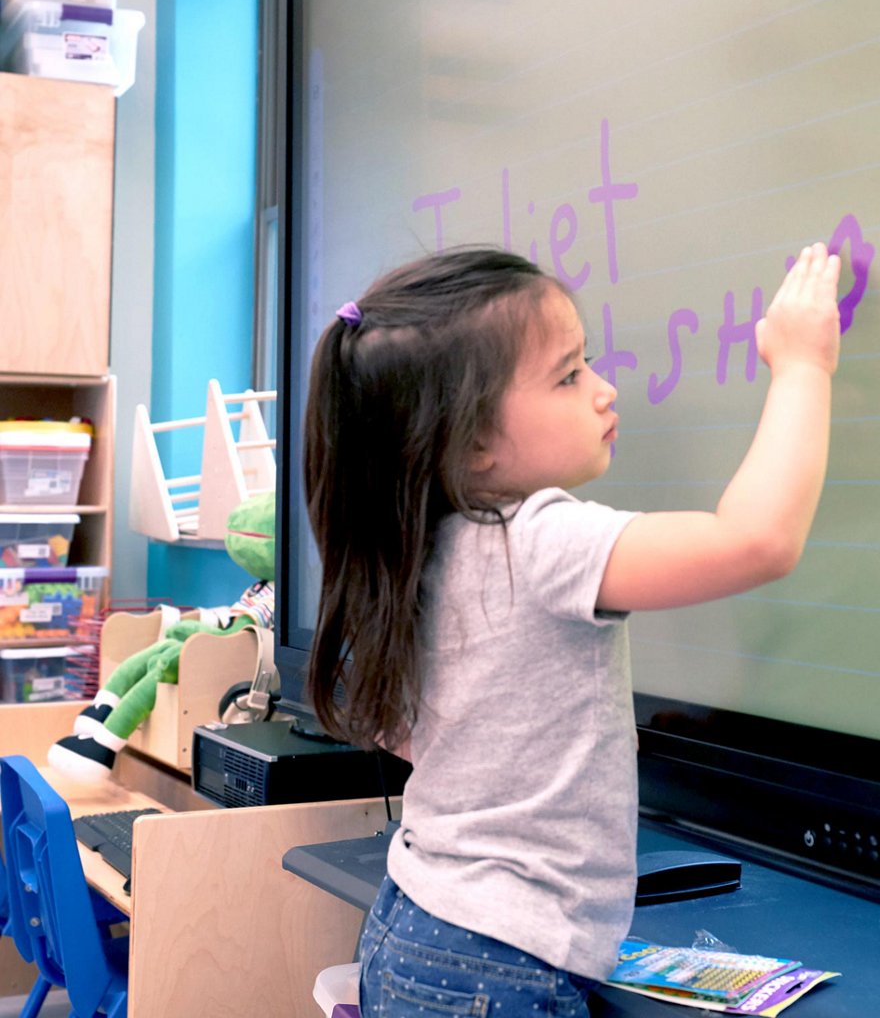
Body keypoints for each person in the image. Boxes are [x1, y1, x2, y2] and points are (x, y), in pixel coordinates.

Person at [303, 242, 841, 1018]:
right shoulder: (539, 538)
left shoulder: (416, 545)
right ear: (473, 441)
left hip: (415, 923)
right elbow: (756, 541)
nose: (603, 389)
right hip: (500, 962)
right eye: (569, 375)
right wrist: (801, 367)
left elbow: (413, 729)